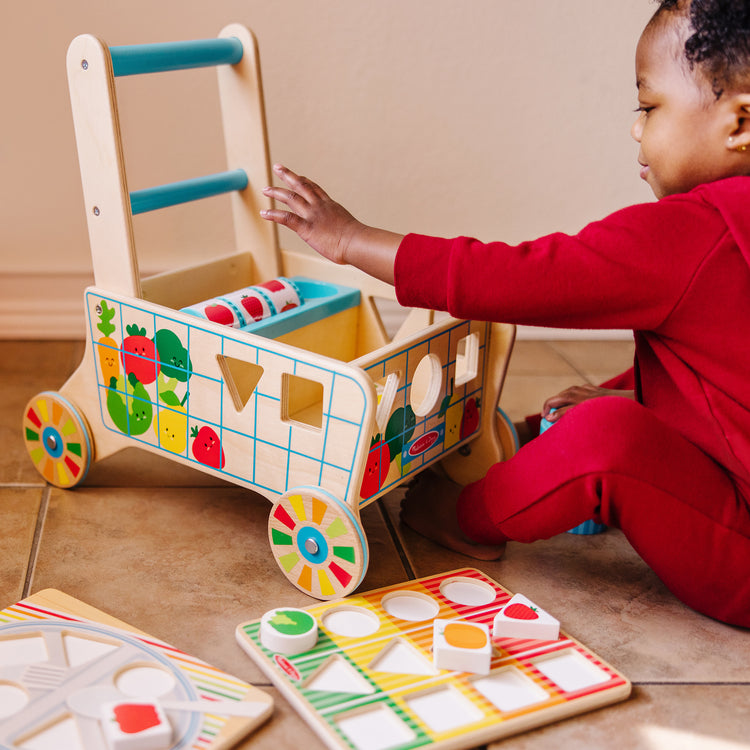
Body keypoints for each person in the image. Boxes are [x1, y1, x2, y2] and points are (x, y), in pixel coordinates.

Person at [260, 0, 750, 627]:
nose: (635, 130)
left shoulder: (692, 231)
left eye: (648, 108)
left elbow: (524, 275)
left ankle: (462, 514)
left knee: (605, 439)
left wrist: (354, 240)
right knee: (628, 392)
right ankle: (520, 436)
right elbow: (720, 378)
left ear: (739, 122)